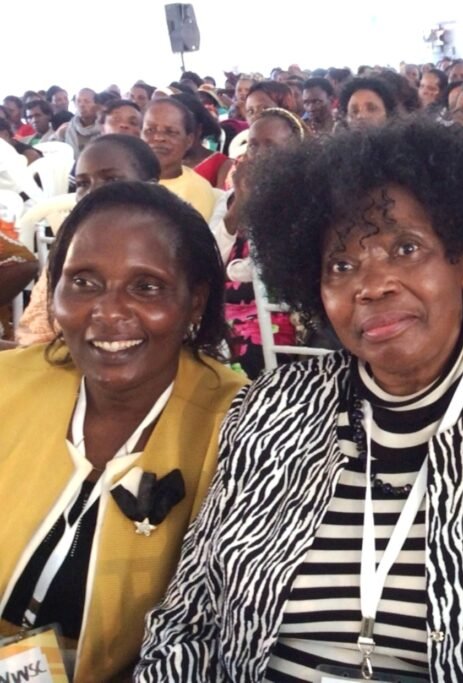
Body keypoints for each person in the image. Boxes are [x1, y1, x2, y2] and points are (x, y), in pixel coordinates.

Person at [136, 119, 463, 681]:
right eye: (341, 265)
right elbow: (188, 618)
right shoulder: (272, 409)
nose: (373, 284)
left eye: (406, 248)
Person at [0, 181, 246, 682]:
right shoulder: (9, 386)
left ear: (195, 301)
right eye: (83, 282)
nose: (108, 312)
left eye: (146, 287)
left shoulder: (240, 425)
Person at [15, 134, 164, 346]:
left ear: (151, 187)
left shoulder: (169, 250)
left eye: (112, 180)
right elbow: (33, 340)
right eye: (83, 183)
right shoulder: (71, 249)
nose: (93, 192)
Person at [217, 108, 305, 377]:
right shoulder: (228, 199)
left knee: (250, 350)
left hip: (280, 310)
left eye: (271, 146)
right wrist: (240, 203)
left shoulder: (306, 199)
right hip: (223, 310)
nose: (260, 155)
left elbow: (286, 267)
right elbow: (208, 258)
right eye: (254, 145)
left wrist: (234, 270)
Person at [142, 97, 216, 220]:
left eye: (171, 132)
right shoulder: (124, 178)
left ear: (188, 141)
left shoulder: (197, 190)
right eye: (150, 130)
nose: (158, 137)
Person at [56, 89, 101, 158]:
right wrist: (58, 134)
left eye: (87, 101)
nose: (81, 105)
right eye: (78, 101)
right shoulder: (66, 129)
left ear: (97, 105)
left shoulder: (105, 129)